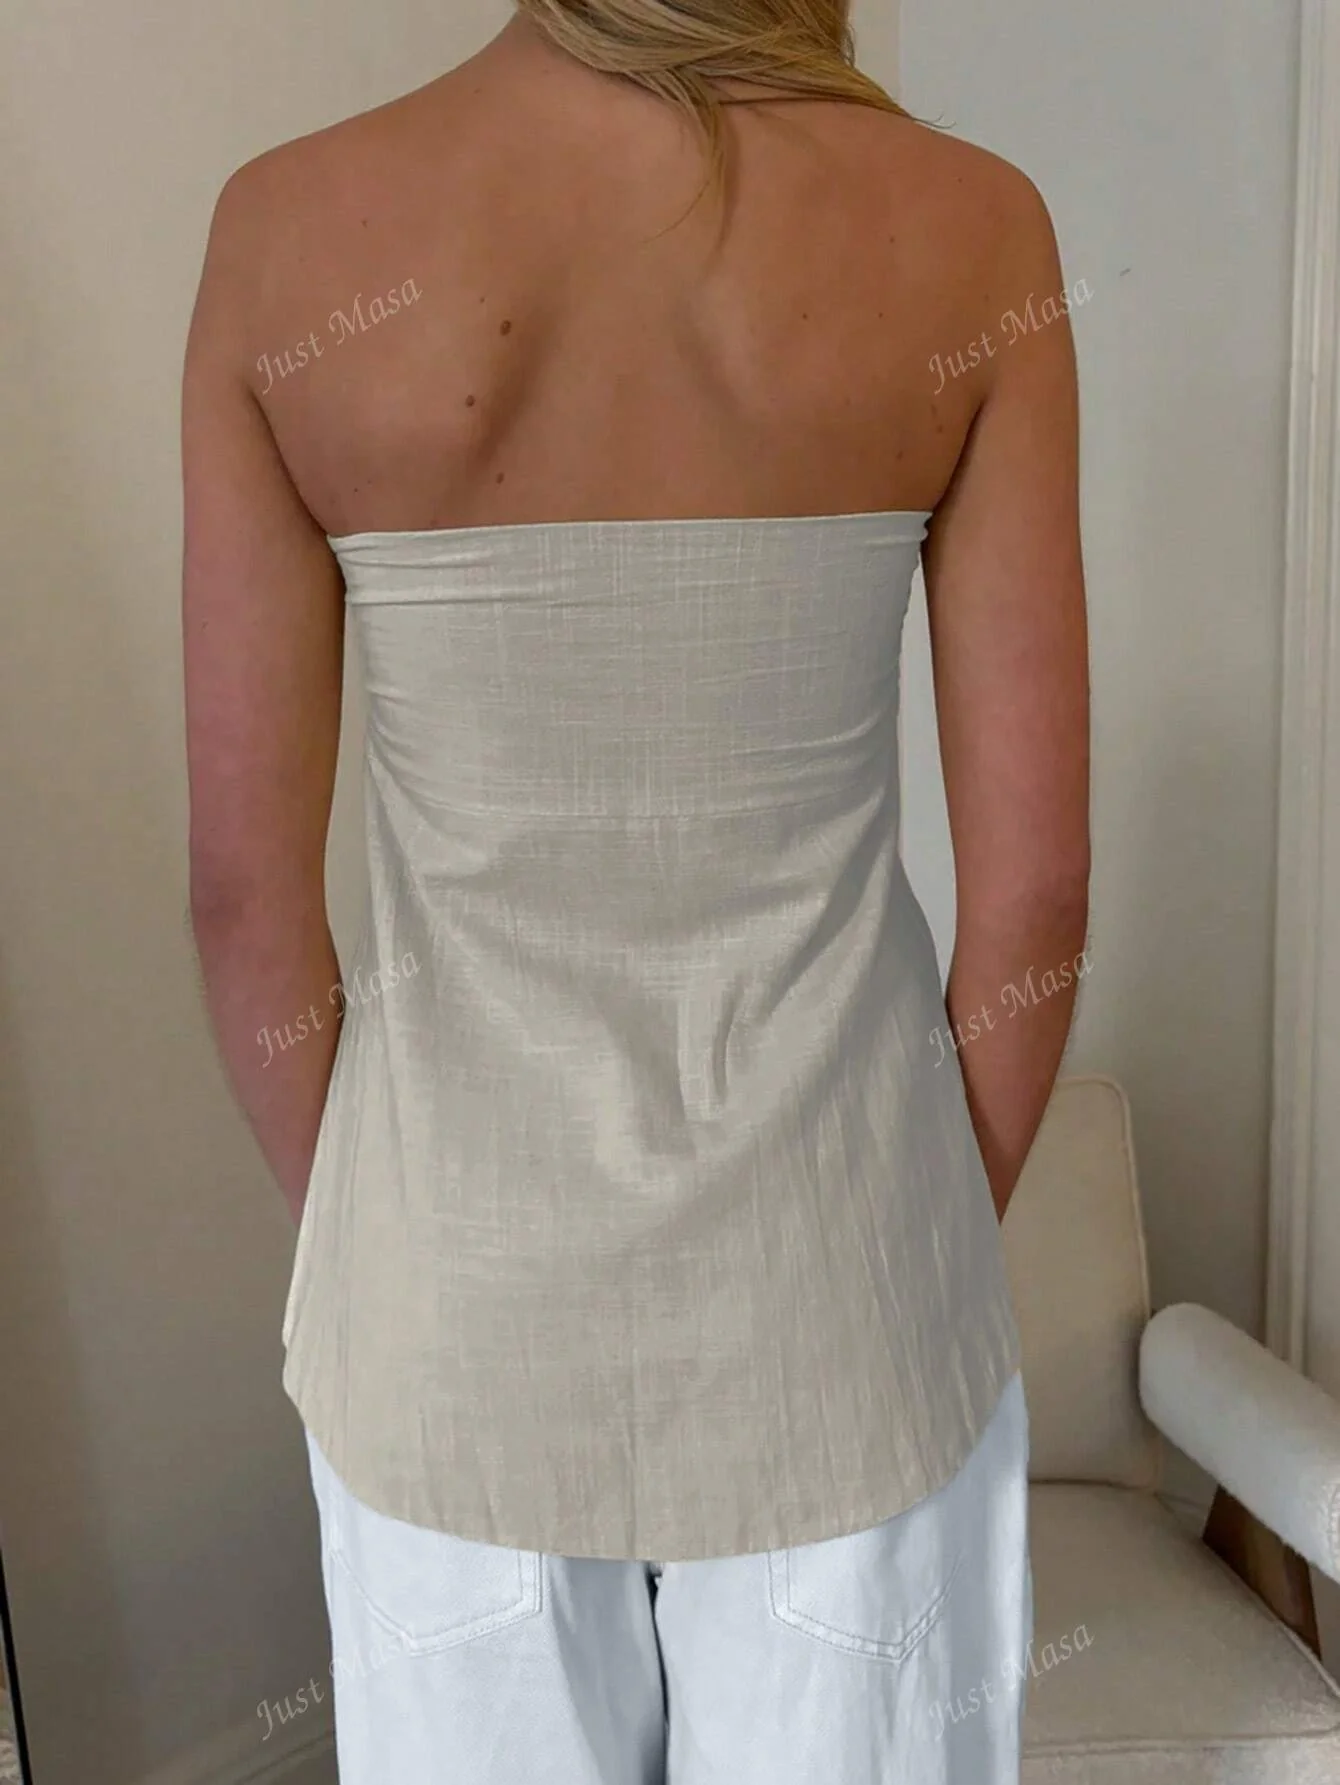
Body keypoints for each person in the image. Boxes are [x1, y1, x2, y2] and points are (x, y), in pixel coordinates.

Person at [181, 2, 1091, 1780]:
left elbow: (240, 895)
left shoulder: (287, 226)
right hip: (843, 1312)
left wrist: (393, 1240)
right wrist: (905, 1233)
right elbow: (1038, 892)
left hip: (453, 1328)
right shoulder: (973, 226)